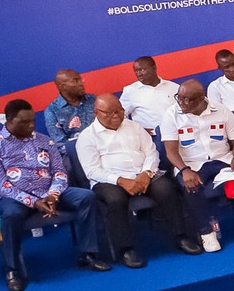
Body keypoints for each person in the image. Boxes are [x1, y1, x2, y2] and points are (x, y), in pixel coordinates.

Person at [0, 98, 105, 288]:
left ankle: (87, 254)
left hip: (49, 192)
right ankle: (12, 269)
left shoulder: (43, 140)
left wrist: (53, 195)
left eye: (32, 121)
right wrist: (33, 201)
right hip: (14, 198)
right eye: (24, 122)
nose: (31, 126)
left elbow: (59, 172)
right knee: (11, 215)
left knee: (86, 197)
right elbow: (0, 185)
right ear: (9, 120)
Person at [78, 91, 193, 262]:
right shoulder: (87, 137)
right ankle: (126, 249)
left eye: (119, 110)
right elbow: (92, 170)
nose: (116, 116)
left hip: (143, 173)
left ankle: (180, 237)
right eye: (109, 113)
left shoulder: (134, 126)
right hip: (110, 180)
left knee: (166, 188)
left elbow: (151, 152)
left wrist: (146, 173)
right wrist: (121, 180)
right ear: (96, 113)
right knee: (115, 200)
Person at [157, 79, 234, 252]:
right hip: (192, 165)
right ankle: (206, 233)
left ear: (201, 98)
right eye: (179, 98)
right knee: (190, 186)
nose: (181, 103)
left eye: (186, 99)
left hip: (223, 160)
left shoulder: (222, 111)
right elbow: (171, 152)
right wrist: (184, 170)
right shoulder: (171, 115)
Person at [118, 54, 179, 128]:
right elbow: (120, 115)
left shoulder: (174, 87)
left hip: (174, 134)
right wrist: (137, 130)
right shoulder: (130, 91)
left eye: (141, 70)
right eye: (136, 71)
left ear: (154, 68)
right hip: (147, 137)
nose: (139, 74)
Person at [44, 68, 93, 144]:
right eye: (76, 81)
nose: (81, 83)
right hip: (75, 153)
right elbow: (60, 144)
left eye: (80, 79)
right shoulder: (52, 111)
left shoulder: (94, 100)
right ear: (63, 87)